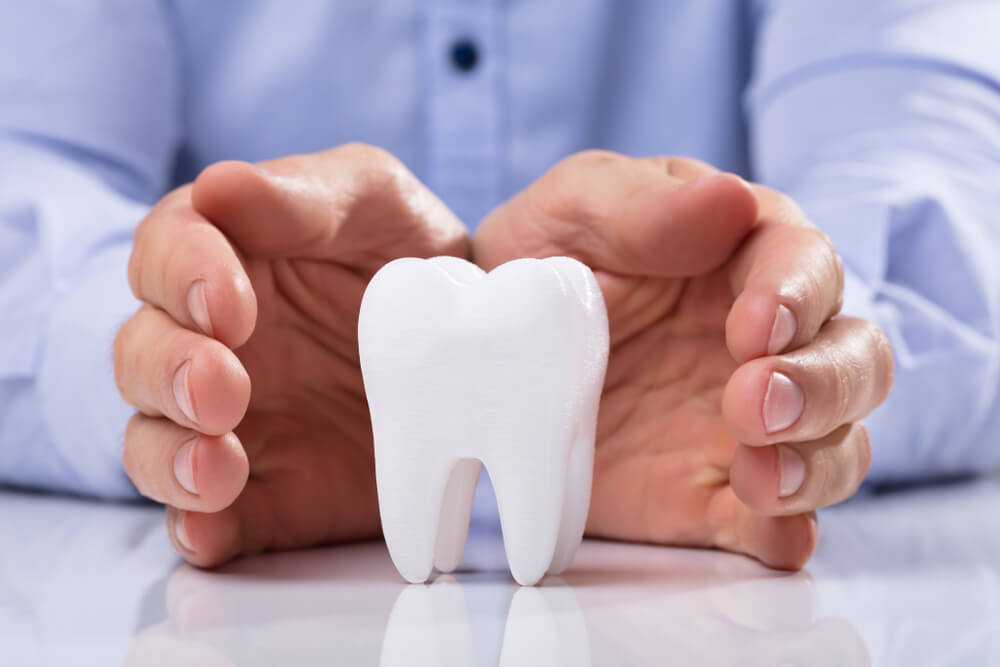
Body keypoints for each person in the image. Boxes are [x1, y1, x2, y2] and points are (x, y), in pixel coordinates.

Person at [0, 2, 996, 570]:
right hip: (279, 398)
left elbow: (929, 149)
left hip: (670, 402)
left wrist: (785, 342)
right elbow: (25, 155)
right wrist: (163, 337)